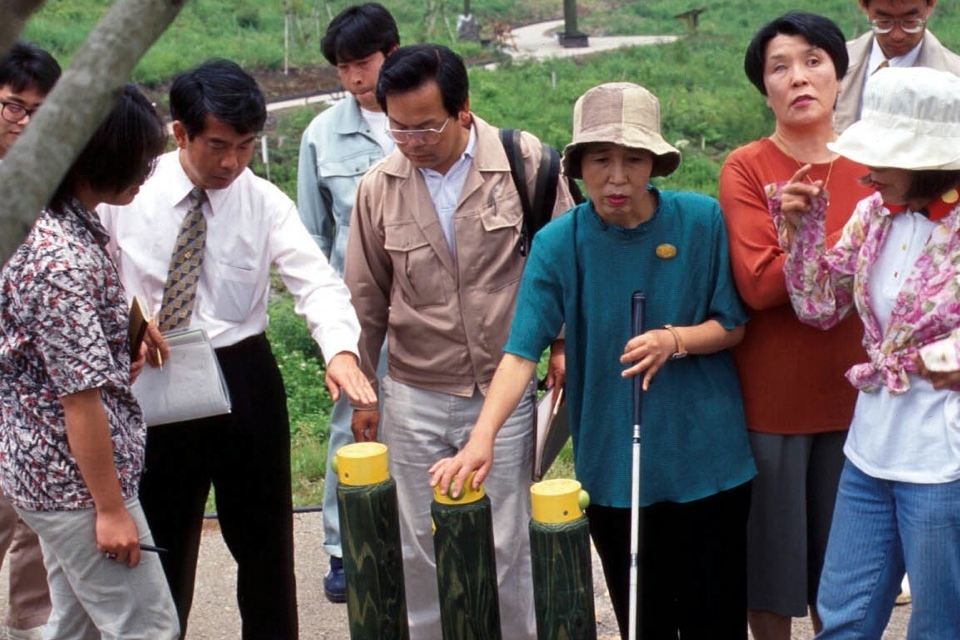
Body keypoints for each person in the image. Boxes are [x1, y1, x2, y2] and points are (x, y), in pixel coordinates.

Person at [429, 81, 756, 640]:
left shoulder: (701, 221)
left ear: (655, 162)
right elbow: (520, 352)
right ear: (578, 166)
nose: (617, 177)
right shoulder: (560, 242)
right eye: (600, 160)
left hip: (710, 458)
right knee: (642, 615)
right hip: (614, 465)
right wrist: (481, 437)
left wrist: (672, 340)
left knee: (716, 617)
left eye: (633, 160)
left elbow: (731, 325)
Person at [97, 60, 376, 639]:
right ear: (180, 134)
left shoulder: (263, 201)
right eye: (218, 146)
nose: (232, 163)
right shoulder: (127, 193)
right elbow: (95, 273)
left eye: (246, 146)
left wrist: (340, 351)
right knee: (161, 541)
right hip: (152, 366)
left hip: (242, 374)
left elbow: (315, 281)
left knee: (266, 543)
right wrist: (128, 321)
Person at [343, 43, 574, 639]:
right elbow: (365, 297)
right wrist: (363, 391)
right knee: (418, 538)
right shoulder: (379, 187)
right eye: (398, 128)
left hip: (506, 384)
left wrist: (562, 343)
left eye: (426, 126)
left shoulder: (525, 162)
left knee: (507, 537)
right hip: (417, 388)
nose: (412, 140)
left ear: (464, 110)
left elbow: (565, 263)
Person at [778, 65, 960, 639]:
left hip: (943, 462)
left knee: (939, 626)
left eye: (883, 159)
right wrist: (804, 230)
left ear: (929, 162)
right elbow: (819, 307)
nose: (867, 172)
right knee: (843, 620)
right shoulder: (873, 215)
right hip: (870, 449)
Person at [0, 83, 179, 639]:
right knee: (147, 627)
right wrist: (109, 510)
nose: (147, 175)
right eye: (143, 163)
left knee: (74, 625)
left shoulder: (44, 220)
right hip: (73, 483)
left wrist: (127, 327)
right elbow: (79, 397)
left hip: (42, 470)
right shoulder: (60, 257)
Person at [717, 13, 872, 638]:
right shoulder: (749, 167)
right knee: (773, 574)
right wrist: (834, 253)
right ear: (765, 88)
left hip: (861, 394)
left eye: (813, 62)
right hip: (774, 401)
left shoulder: (877, 163)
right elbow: (757, 283)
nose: (797, 78)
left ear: (840, 75)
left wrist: (808, 254)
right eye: (779, 67)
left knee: (848, 573)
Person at [295, 1, 398, 604]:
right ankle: (342, 546)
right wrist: (325, 329)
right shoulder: (320, 136)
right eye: (343, 68)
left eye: (363, 63)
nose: (355, 78)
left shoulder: (433, 116)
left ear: (391, 53)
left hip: (429, 306)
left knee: (426, 418)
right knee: (352, 422)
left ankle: (421, 531)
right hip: (356, 310)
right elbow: (310, 238)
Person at [0, 39, 60, 640]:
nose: (23, 121)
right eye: (13, 106)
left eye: (41, 111)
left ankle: (29, 624)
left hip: (35, 373)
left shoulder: (56, 178)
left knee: (30, 511)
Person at [834, 0, 960, 133]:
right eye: (884, 21)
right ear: (863, 6)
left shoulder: (955, 77)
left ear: (930, 6)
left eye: (910, 21)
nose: (897, 35)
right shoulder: (833, 63)